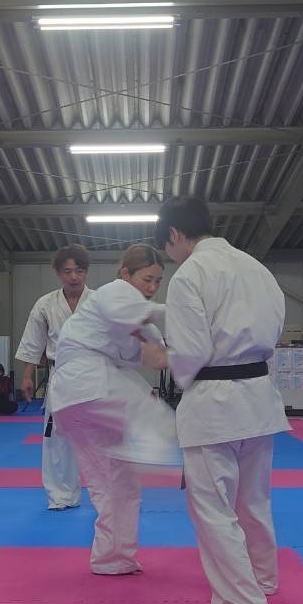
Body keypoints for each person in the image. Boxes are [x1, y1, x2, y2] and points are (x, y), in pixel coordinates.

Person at [147, 196, 289, 604]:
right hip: (259, 399)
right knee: (253, 501)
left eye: (167, 247)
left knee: (211, 507)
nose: (170, 256)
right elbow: (274, 331)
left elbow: (191, 352)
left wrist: (162, 358)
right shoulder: (257, 269)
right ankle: (262, 580)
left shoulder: (191, 274)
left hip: (214, 405)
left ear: (174, 234)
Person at [51, 244, 179, 576]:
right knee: (156, 416)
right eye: (147, 279)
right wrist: (186, 311)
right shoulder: (114, 292)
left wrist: (199, 353)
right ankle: (148, 451)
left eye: (158, 281)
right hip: (87, 381)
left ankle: (113, 558)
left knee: (115, 484)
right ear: (125, 274)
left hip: (74, 400)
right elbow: (139, 314)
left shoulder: (143, 320)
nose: (152, 287)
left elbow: (157, 358)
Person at [16, 244, 92, 510]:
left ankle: (107, 495)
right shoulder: (45, 304)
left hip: (93, 375)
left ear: (86, 272)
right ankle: (60, 495)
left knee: (97, 438)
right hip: (60, 374)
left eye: (79, 270)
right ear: (58, 273)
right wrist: (27, 376)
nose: (74, 277)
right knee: (56, 437)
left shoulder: (98, 302)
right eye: (68, 271)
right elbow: (33, 343)